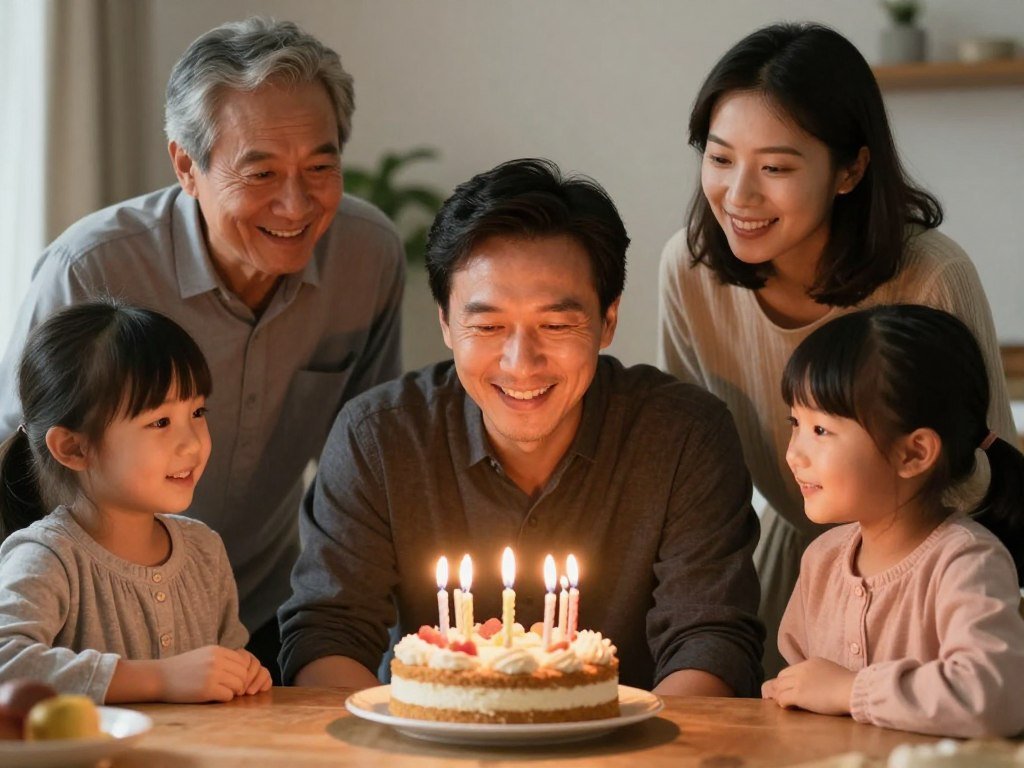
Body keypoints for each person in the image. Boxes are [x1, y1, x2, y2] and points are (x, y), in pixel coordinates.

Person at [0, 18, 405, 682]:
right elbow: (17, 453)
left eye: (321, 167)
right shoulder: (91, 268)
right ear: (187, 165)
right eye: (262, 171)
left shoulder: (369, 256)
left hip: (253, 613)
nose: (297, 203)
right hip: (85, 628)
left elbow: (362, 456)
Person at [277, 158, 764, 697]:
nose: (521, 362)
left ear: (608, 320)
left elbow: (710, 638)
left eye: (555, 324)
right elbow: (328, 634)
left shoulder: (683, 438)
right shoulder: (379, 438)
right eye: (487, 326)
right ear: (445, 321)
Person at [657, 22, 1017, 678]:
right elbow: (694, 465)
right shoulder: (689, 271)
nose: (738, 196)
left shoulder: (928, 274)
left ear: (850, 168)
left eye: (775, 167)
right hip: (797, 576)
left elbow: (984, 471)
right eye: (719, 158)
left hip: (932, 583)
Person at [761, 304, 1024, 737]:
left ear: (914, 453)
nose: (794, 454)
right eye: (795, 422)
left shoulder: (967, 563)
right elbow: (802, 693)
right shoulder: (820, 562)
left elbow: (994, 699)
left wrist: (851, 692)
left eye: (820, 431)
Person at [0, 301, 272, 703]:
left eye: (197, 411)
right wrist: (159, 679)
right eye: (160, 422)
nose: (193, 442)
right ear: (73, 448)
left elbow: (227, 670)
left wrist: (243, 672)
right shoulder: (49, 557)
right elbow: (7, 665)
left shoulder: (204, 550)